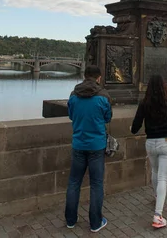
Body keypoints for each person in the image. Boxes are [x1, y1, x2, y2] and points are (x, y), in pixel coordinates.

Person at [131, 75, 167, 229]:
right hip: (166, 143)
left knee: (155, 171)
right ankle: (158, 215)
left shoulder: (144, 103)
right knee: (162, 178)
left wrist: (131, 129)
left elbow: (135, 127)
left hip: (151, 143)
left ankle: (156, 196)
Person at [65, 66, 112, 232]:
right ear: (98, 78)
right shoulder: (103, 96)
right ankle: (95, 223)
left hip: (78, 143)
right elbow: (108, 117)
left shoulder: (73, 94)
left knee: (74, 183)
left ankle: (70, 220)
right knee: (96, 184)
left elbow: (71, 115)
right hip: (97, 146)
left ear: (85, 76)